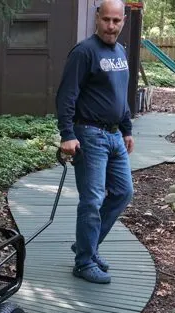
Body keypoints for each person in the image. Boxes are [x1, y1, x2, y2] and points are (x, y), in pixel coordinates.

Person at [55, 0, 134, 284]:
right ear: (96, 19)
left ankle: (87, 246)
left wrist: (126, 128)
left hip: (114, 135)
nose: (111, 26)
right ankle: (84, 262)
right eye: (106, 20)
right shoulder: (84, 52)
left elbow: (120, 95)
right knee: (92, 200)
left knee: (123, 193)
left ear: (123, 21)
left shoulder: (121, 52)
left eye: (117, 21)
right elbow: (67, 95)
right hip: (89, 135)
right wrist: (67, 134)